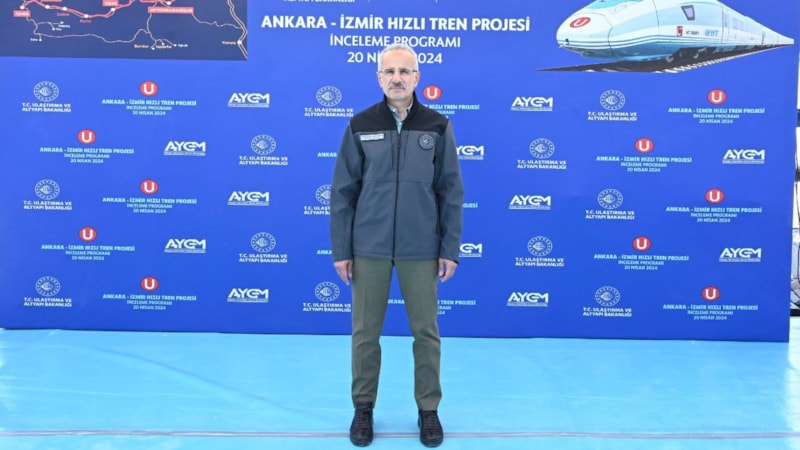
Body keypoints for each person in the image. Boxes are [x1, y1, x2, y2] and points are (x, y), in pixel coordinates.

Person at [329, 43, 464, 448]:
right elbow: (343, 193)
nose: (397, 78)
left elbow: (450, 191)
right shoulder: (360, 124)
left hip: (420, 248)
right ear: (379, 78)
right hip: (368, 247)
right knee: (365, 334)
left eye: (405, 71)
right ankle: (363, 408)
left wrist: (449, 248)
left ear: (417, 78)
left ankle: (428, 410)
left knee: (426, 333)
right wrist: (342, 250)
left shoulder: (437, 125)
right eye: (389, 71)